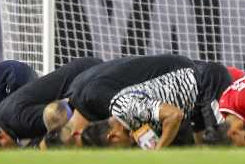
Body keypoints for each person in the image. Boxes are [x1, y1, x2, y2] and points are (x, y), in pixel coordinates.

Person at [81, 62, 232, 149]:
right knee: (203, 152)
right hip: (194, 106)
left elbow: (175, 115)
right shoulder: (132, 127)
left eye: (117, 150)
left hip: (206, 82)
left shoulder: (126, 108)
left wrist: (157, 152)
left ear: (113, 136)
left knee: (220, 141)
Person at [0, 56, 102, 148]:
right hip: (86, 73)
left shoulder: (22, 121)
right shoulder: (0, 116)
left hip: (91, 78)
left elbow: (60, 115)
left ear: (0, 138)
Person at [59, 54, 195, 144]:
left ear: (76, 134)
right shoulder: (81, 95)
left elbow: (133, 118)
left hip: (180, 77)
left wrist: (151, 149)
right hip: (174, 84)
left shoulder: (97, 98)